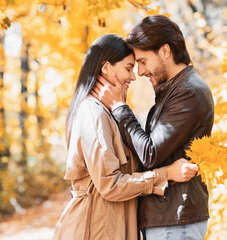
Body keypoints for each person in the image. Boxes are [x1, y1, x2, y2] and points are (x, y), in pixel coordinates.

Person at [52, 34, 198, 240]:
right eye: (128, 68)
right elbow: (111, 185)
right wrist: (166, 174)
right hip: (94, 229)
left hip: (112, 226)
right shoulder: (93, 113)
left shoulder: (108, 112)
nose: (133, 76)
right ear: (106, 68)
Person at [92, 15, 215, 239]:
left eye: (142, 61)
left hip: (174, 219)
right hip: (169, 218)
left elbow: (150, 153)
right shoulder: (175, 90)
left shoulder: (188, 92)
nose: (139, 72)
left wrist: (120, 108)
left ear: (165, 51)